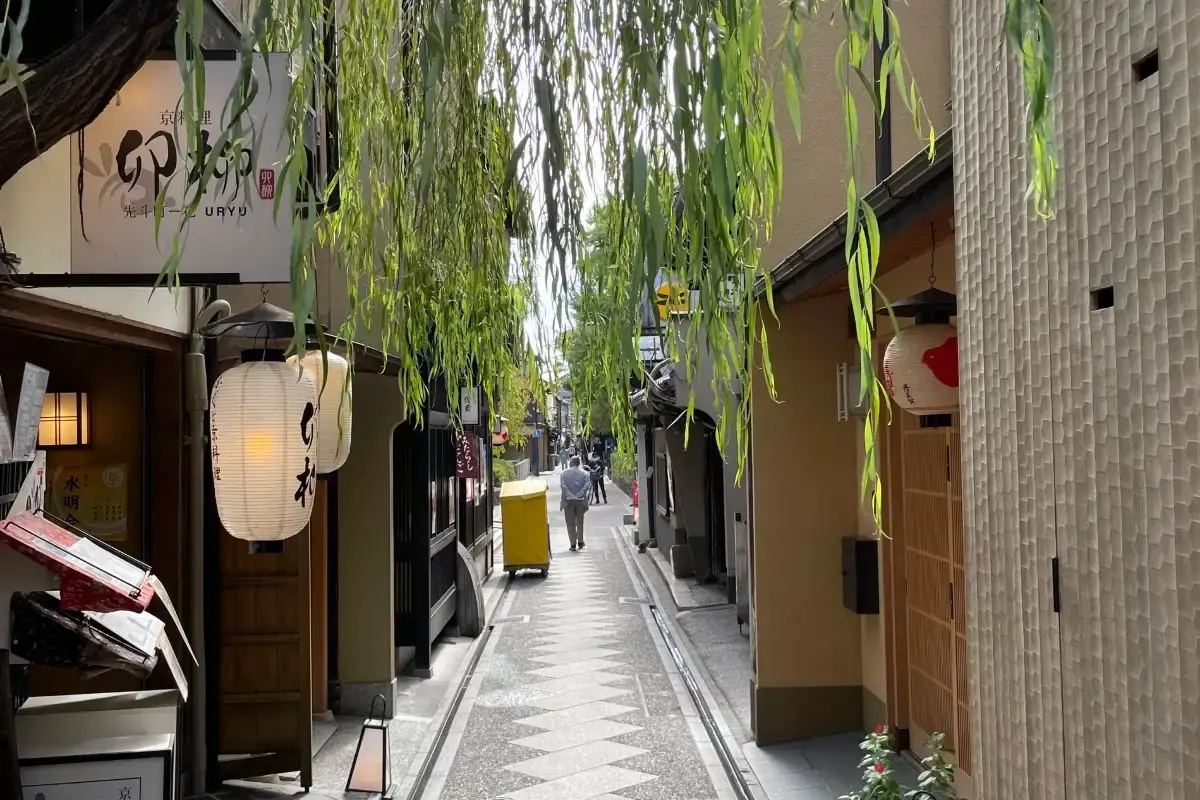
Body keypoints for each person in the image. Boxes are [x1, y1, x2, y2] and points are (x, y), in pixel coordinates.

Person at [559, 455, 591, 551]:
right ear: (578, 463)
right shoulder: (585, 473)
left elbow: (563, 486)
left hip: (568, 501)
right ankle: (580, 542)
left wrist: (571, 495)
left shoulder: (563, 473)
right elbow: (587, 485)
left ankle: (573, 544)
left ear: (571, 463)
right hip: (581, 501)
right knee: (580, 521)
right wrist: (579, 494)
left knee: (570, 523)